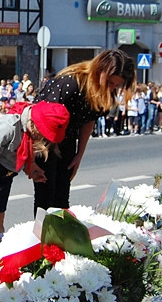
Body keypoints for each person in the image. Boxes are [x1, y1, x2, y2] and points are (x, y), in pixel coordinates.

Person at [32, 49, 135, 213]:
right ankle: (43, 237)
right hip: (45, 142)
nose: (112, 88)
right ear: (99, 70)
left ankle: (59, 237)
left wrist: (79, 155)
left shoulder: (102, 91)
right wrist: (33, 161)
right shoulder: (71, 83)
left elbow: (89, 119)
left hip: (67, 141)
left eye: (117, 85)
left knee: (61, 200)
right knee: (46, 200)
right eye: (110, 82)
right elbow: (42, 118)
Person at [0, 101, 70, 267]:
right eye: (42, 134)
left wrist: (33, 170)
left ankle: (0, 259)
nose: (41, 139)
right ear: (33, 124)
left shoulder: (28, 130)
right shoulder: (9, 126)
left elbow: (25, 154)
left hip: (6, 177)